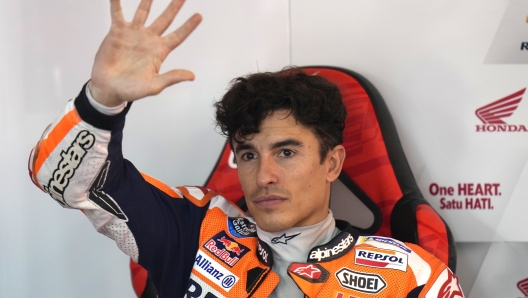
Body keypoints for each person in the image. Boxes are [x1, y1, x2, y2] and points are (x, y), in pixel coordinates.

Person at [28, 0, 464, 297]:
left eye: (286, 152)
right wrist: (102, 101)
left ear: (332, 162)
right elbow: (65, 181)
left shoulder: (412, 274)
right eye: (249, 154)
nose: (264, 175)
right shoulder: (195, 232)